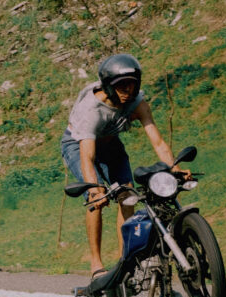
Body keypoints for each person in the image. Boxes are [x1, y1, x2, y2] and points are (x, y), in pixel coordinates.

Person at [61, 53, 191, 279]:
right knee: (96, 200)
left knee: (127, 196)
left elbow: (158, 142)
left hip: (111, 146)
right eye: (121, 86)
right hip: (78, 145)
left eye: (132, 85)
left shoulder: (137, 103)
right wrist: (94, 189)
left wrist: (176, 170)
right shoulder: (91, 111)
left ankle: (126, 261)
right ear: (108, 87)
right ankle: (96, 265)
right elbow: (87, 157)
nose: (127, 91)